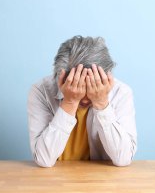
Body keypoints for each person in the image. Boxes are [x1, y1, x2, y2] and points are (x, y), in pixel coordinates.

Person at [27, 36, 137, 167]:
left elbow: (123, 158)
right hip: (56, 179)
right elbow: (44, 159)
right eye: (76, 86)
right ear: (60, 78)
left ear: (107, 76)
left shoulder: (121, 92)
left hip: (102, 179)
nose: (84, 98)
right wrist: (69, 102)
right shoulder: (41, 91)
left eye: (92, 86)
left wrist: (101, 103)